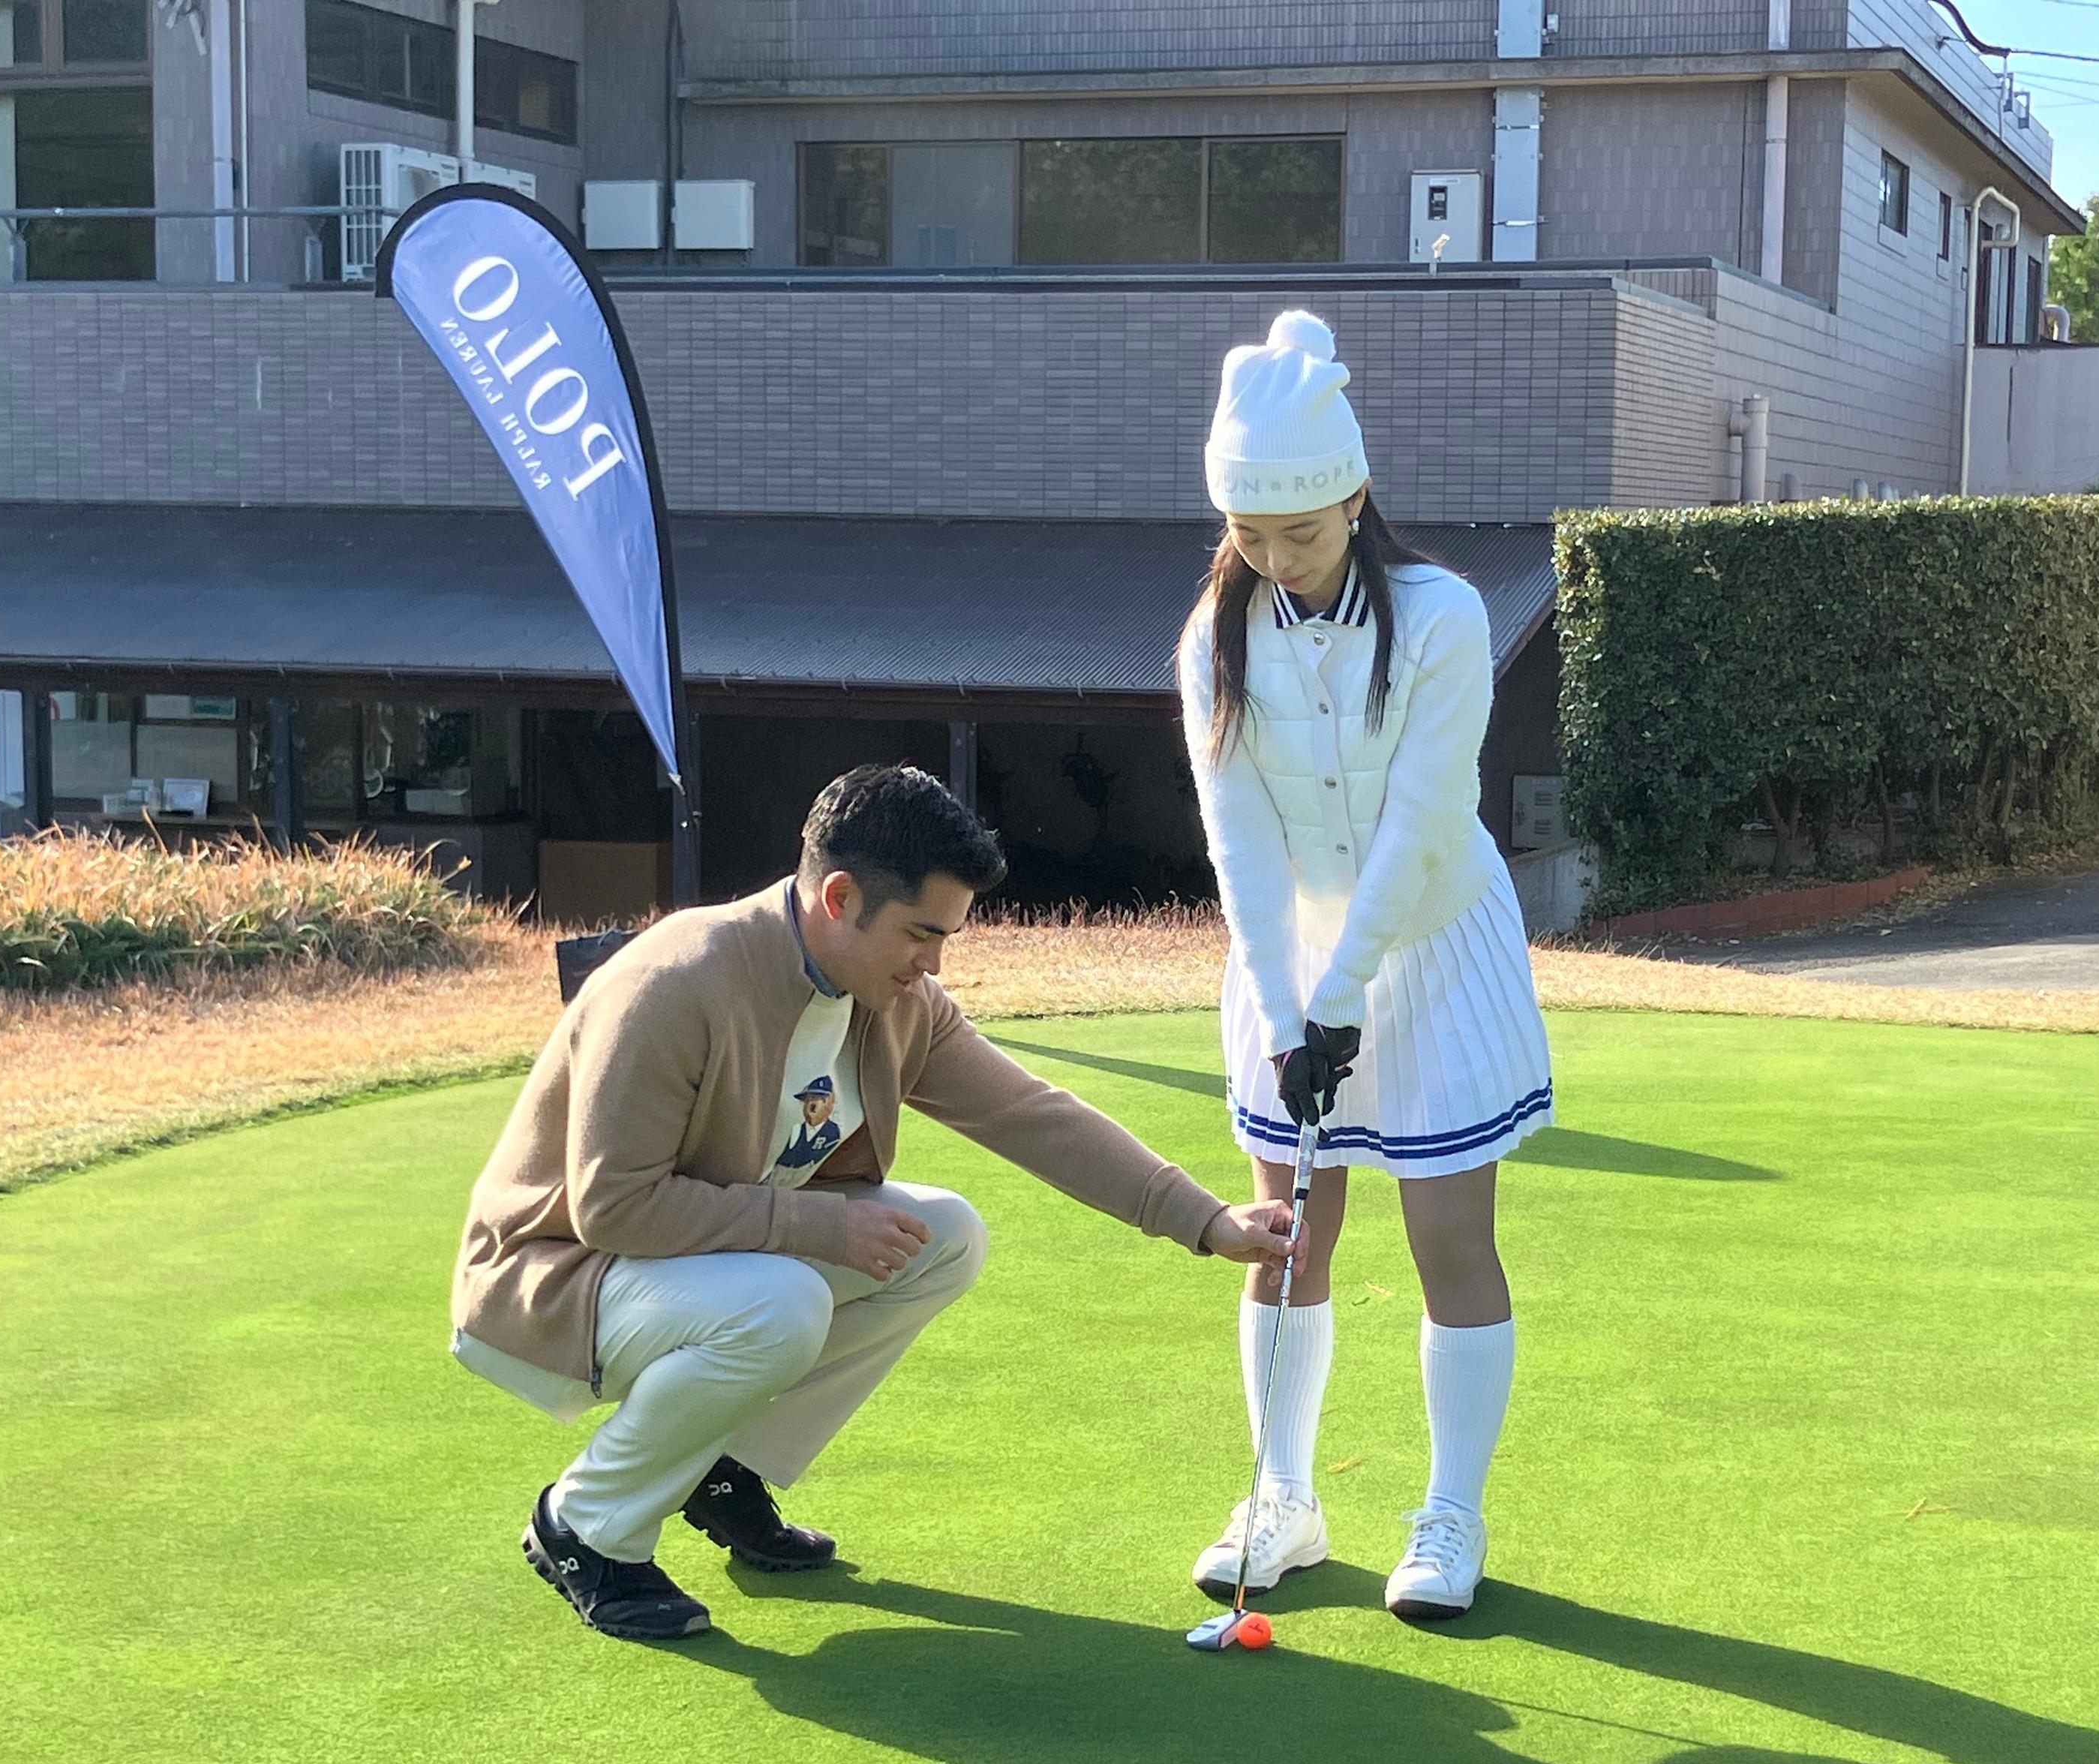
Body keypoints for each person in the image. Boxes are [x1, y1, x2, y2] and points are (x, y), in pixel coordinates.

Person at [450, 763, 1296, 1642]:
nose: (933, 963)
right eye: (920, 934)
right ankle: (586, 1526)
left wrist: (1204, 1220)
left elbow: (1028, 1115)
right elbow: (614, 1208)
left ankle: (722, 1466)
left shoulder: (898, 1001)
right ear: (840, 897)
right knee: (783, 1303)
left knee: (946, 1235)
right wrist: (816, 1224)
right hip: (550, 1279)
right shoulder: (672, 983)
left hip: (684, 1268)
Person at [1179, 311, 1556, 1624]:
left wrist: (1340, 1006)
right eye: (1250, 535)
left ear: (1356, 496)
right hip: (1287, 961)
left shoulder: (1445, 617)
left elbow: (1423, 821)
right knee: (1289, 1234)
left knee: (1451, 1237)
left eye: (1301, 532)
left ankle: (1451, 1513)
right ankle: (1284, 1496)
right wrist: (1291, 1010)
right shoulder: (1214, 639)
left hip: (1432, 946)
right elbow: (1240, 835)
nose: (1275, 560)